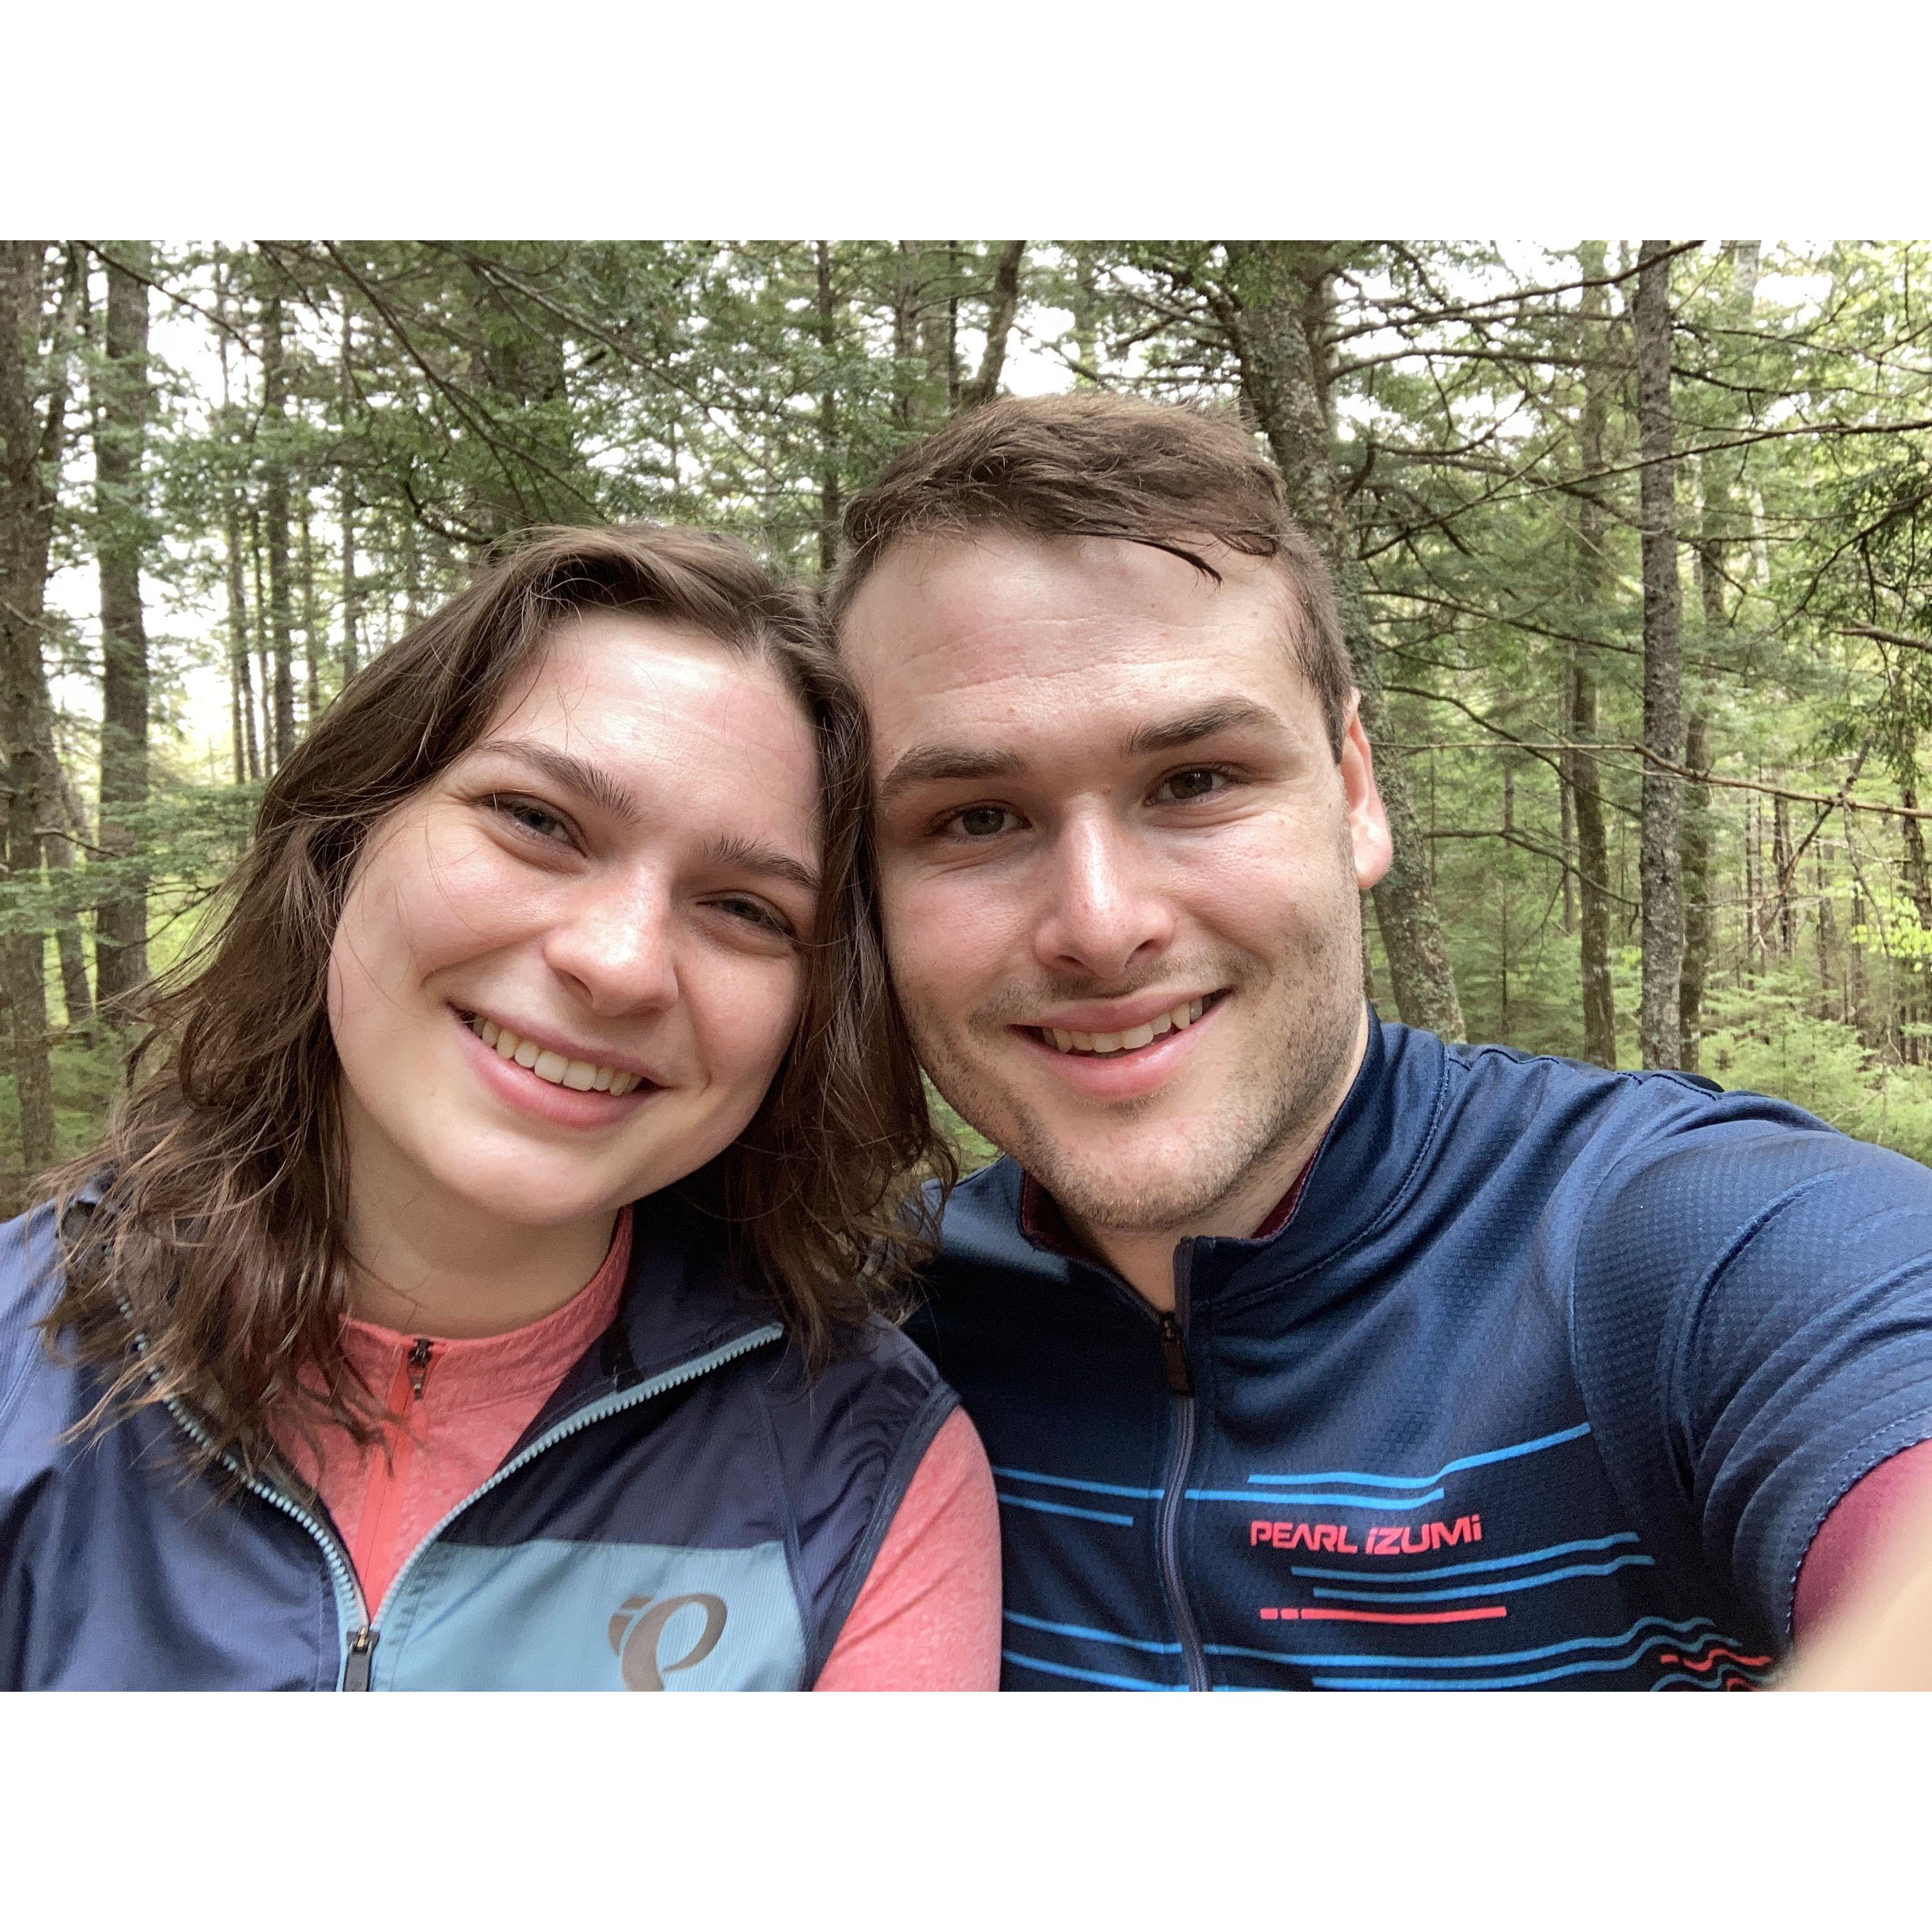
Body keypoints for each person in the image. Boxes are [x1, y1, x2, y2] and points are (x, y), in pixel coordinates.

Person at [829, 392, 1932, 1692]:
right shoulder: (861, 1340)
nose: (1099, 922)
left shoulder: (1665, 1246)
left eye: (1193, 781)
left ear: (1353, 792)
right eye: (973, 818)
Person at [0, 524, 998, 1691]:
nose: (621, 964)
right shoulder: (27, 1361)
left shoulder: (864, 1476)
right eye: (537, 821)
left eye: (743, 908)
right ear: (345, 839)